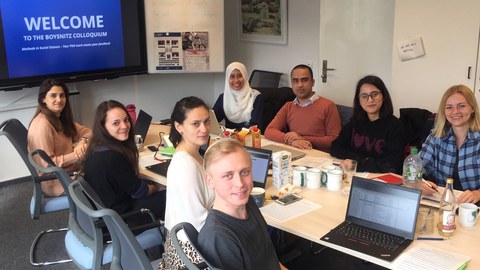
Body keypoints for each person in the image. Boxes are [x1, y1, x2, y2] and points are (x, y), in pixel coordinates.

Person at [198, 139, 286, 270]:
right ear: (210, 181)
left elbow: (269, 259)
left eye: (245, 172)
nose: (240, 184)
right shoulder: (219, 238)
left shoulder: (248, 203)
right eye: (228, 176)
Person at [82, 100, 166, 223]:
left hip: (104, 217)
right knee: (171, 196)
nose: (125, 126)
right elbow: (140, 192)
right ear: (103, 127)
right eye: (116, 123)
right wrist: (156, 187)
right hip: (120, 222)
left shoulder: (95, 149)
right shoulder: (112, 157)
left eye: (126, 120)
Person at [160, 96, 215, 269]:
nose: (204, 129)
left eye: (206, 122)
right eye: (195, 124)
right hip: (191, 254)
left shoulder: (194, 154)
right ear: (179, 127)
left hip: (186, 244)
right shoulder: (186, 166)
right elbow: (197, 222)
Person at [28, 78, 92, 196]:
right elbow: (47, 164)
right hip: (56, 181)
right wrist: (76, 154)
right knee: (104, 176)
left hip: (70, 171)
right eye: (53, 96)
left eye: (62, 95)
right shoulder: (42, 125)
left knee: (104, 164)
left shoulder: (58, 117)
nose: (59, 99)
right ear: (43, 99)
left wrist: (82, 142)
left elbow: (88, 132)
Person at [330, 75, 406, 174]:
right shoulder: (355, 122)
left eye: (374, 94)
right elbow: (335, 147)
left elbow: (391, 165)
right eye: (364, 96)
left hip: (381, 179)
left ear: (383, 96)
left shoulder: (395, 126)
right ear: (359, 101)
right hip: (355, 174)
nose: (370, 100)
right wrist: (362, 160)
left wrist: (357, 163)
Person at [420, 85, 480, 204]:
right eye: (449, 107)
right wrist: (418, 182)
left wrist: (478, 193)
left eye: (461, 106)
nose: (455, 112)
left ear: (472, 108)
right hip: (442, 203)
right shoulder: (436, 137)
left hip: (474, 207)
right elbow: (414, 168)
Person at [264, 64, 341, 152]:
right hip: (295, 151)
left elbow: (335, 139)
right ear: (292, 84)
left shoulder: (328, 106)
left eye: (304, 80)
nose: (300, 85)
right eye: (295, 81)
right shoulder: (288, 106)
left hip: (319, 155)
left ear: (313, 82)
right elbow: (269, 131)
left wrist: (302, 138)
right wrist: (291, 141)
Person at [212, 62, 264, 130]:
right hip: (229, 137)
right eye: (232, 76)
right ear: (227, 79)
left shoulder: (256, 97)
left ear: (245, 76)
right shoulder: (223, 98)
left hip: (249, 137)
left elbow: (256, 126)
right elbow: (213, 121)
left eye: (240, 76)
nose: (236, 80)